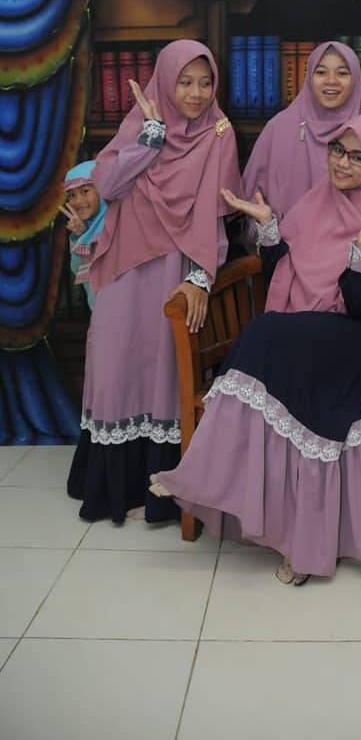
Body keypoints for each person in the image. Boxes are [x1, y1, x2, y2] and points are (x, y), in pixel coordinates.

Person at [150, 115, 361, 583]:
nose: (343, 164)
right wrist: (270, 227)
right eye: (338, 150)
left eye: (358, 157)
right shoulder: (315, 203)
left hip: (360, 344)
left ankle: (213, 482)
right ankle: (248, 504)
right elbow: (286, 275)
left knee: (268, 335)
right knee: (275, 342)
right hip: (306, 337)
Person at [67, 40, 242, 524]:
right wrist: (151, 136)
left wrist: (200, 278)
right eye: (184, 82)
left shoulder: (218, 134)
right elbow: (108, 186)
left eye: (205, 83)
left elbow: (213, 215)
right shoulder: (142, 127)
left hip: (172, 270)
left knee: (163, 371)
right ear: (164, 82)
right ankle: (110, 488)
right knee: (115, 367)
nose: (196, 93)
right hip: (124, 268)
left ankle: (161, 490)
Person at [241, 41, 361, 222]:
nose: (331, 81)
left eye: (342, 73)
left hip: (355, 238)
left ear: (356, 79)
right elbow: (251, 199)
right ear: (309, 77)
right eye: (321, 72)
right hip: (284, 238)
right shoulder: (279, 128)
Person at [59, 160, 107, 310]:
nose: (78, 201)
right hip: (100, 312)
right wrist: (81, 235)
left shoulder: (116, 223)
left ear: (102, 189)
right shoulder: (86, 229)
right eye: (71, 195)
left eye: (85, 191)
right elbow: (78, 270)